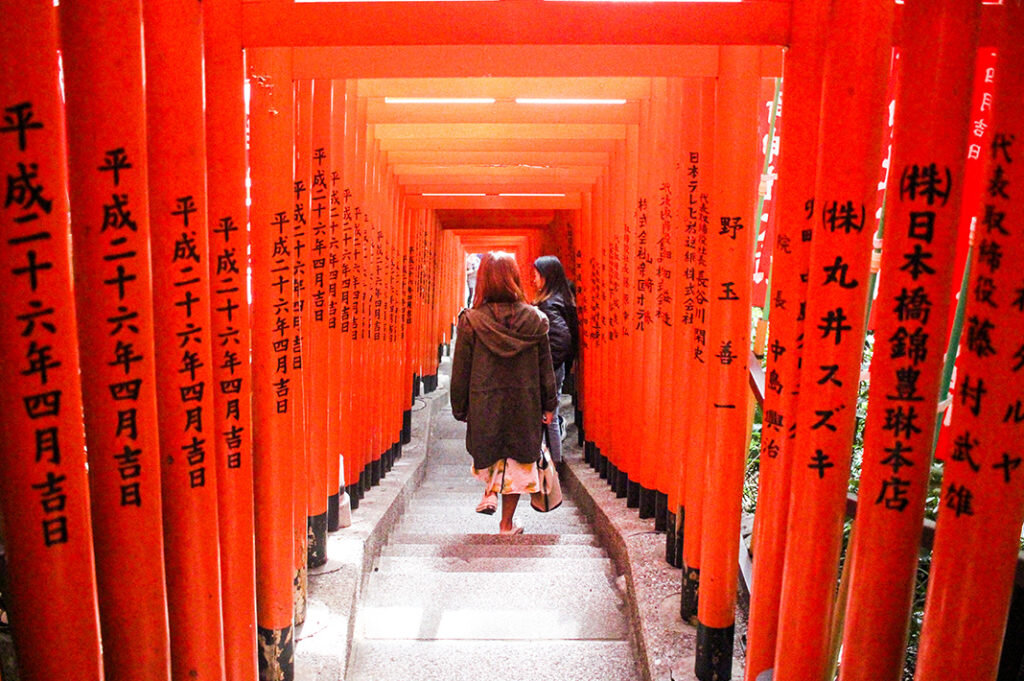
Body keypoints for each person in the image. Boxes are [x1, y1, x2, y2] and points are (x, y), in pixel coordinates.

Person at [450, 252, 558, 535]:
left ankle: (489, 493)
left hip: (484, 400)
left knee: (491, 449)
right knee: (518, 461)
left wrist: (459, 407)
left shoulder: (472, 321)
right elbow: (545, 367)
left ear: (483, 279)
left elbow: (461, 369)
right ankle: (506, 524)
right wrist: (549, 405)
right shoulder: (535, 320)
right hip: (525, 402)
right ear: (514, 278)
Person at [532, 255, 578, 464]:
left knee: (549, 414)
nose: (534, 280)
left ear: (547, 277)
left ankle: (553, 464)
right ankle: (552, 463)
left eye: (537, 275)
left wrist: (546, 364)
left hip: (552, 367)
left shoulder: (550, 304)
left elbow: (561, 339)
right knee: (551, 413)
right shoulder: (562, 299)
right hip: (558, 366)